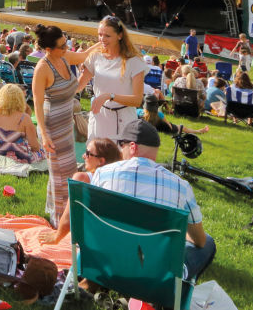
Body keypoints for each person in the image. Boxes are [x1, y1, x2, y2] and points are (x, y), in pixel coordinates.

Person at [91, 120, 215, 292]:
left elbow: (93, 222)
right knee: (208, 241)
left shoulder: (102, 174)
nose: (120, 150)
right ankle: (176, 280)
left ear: (132, 147)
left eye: (121, 144)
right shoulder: (180, 186)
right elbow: (199, 241)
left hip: (106, 262)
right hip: (154, 273)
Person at [31, 24, 87, 224]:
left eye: (66, 43)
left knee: (65, 172)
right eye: (62, 46)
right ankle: (59, 222)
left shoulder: (64, 56)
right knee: (61, 175)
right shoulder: (43, 68)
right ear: (48, 49)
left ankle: (56, 212)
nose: (67, 48)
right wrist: (44, 135)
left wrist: (102, 45)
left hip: (65, 125)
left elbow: (83, 57)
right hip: (52, 127)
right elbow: (36, 104)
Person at [79, 15, 148, 141]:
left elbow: (137, 100)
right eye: (100, 34)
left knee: (120, 159)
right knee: (95, 157)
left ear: (120, 35)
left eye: (107, 36)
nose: (102, 39)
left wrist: (109, 96)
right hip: (99, 118)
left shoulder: (134, 61)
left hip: (124, 120)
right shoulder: (95, 57)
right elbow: (78, 86)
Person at [0, 83, 43, 161]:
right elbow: (34, 146)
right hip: (19, 157)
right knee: (44, 150)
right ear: (20, 98)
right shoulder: (24, 118)